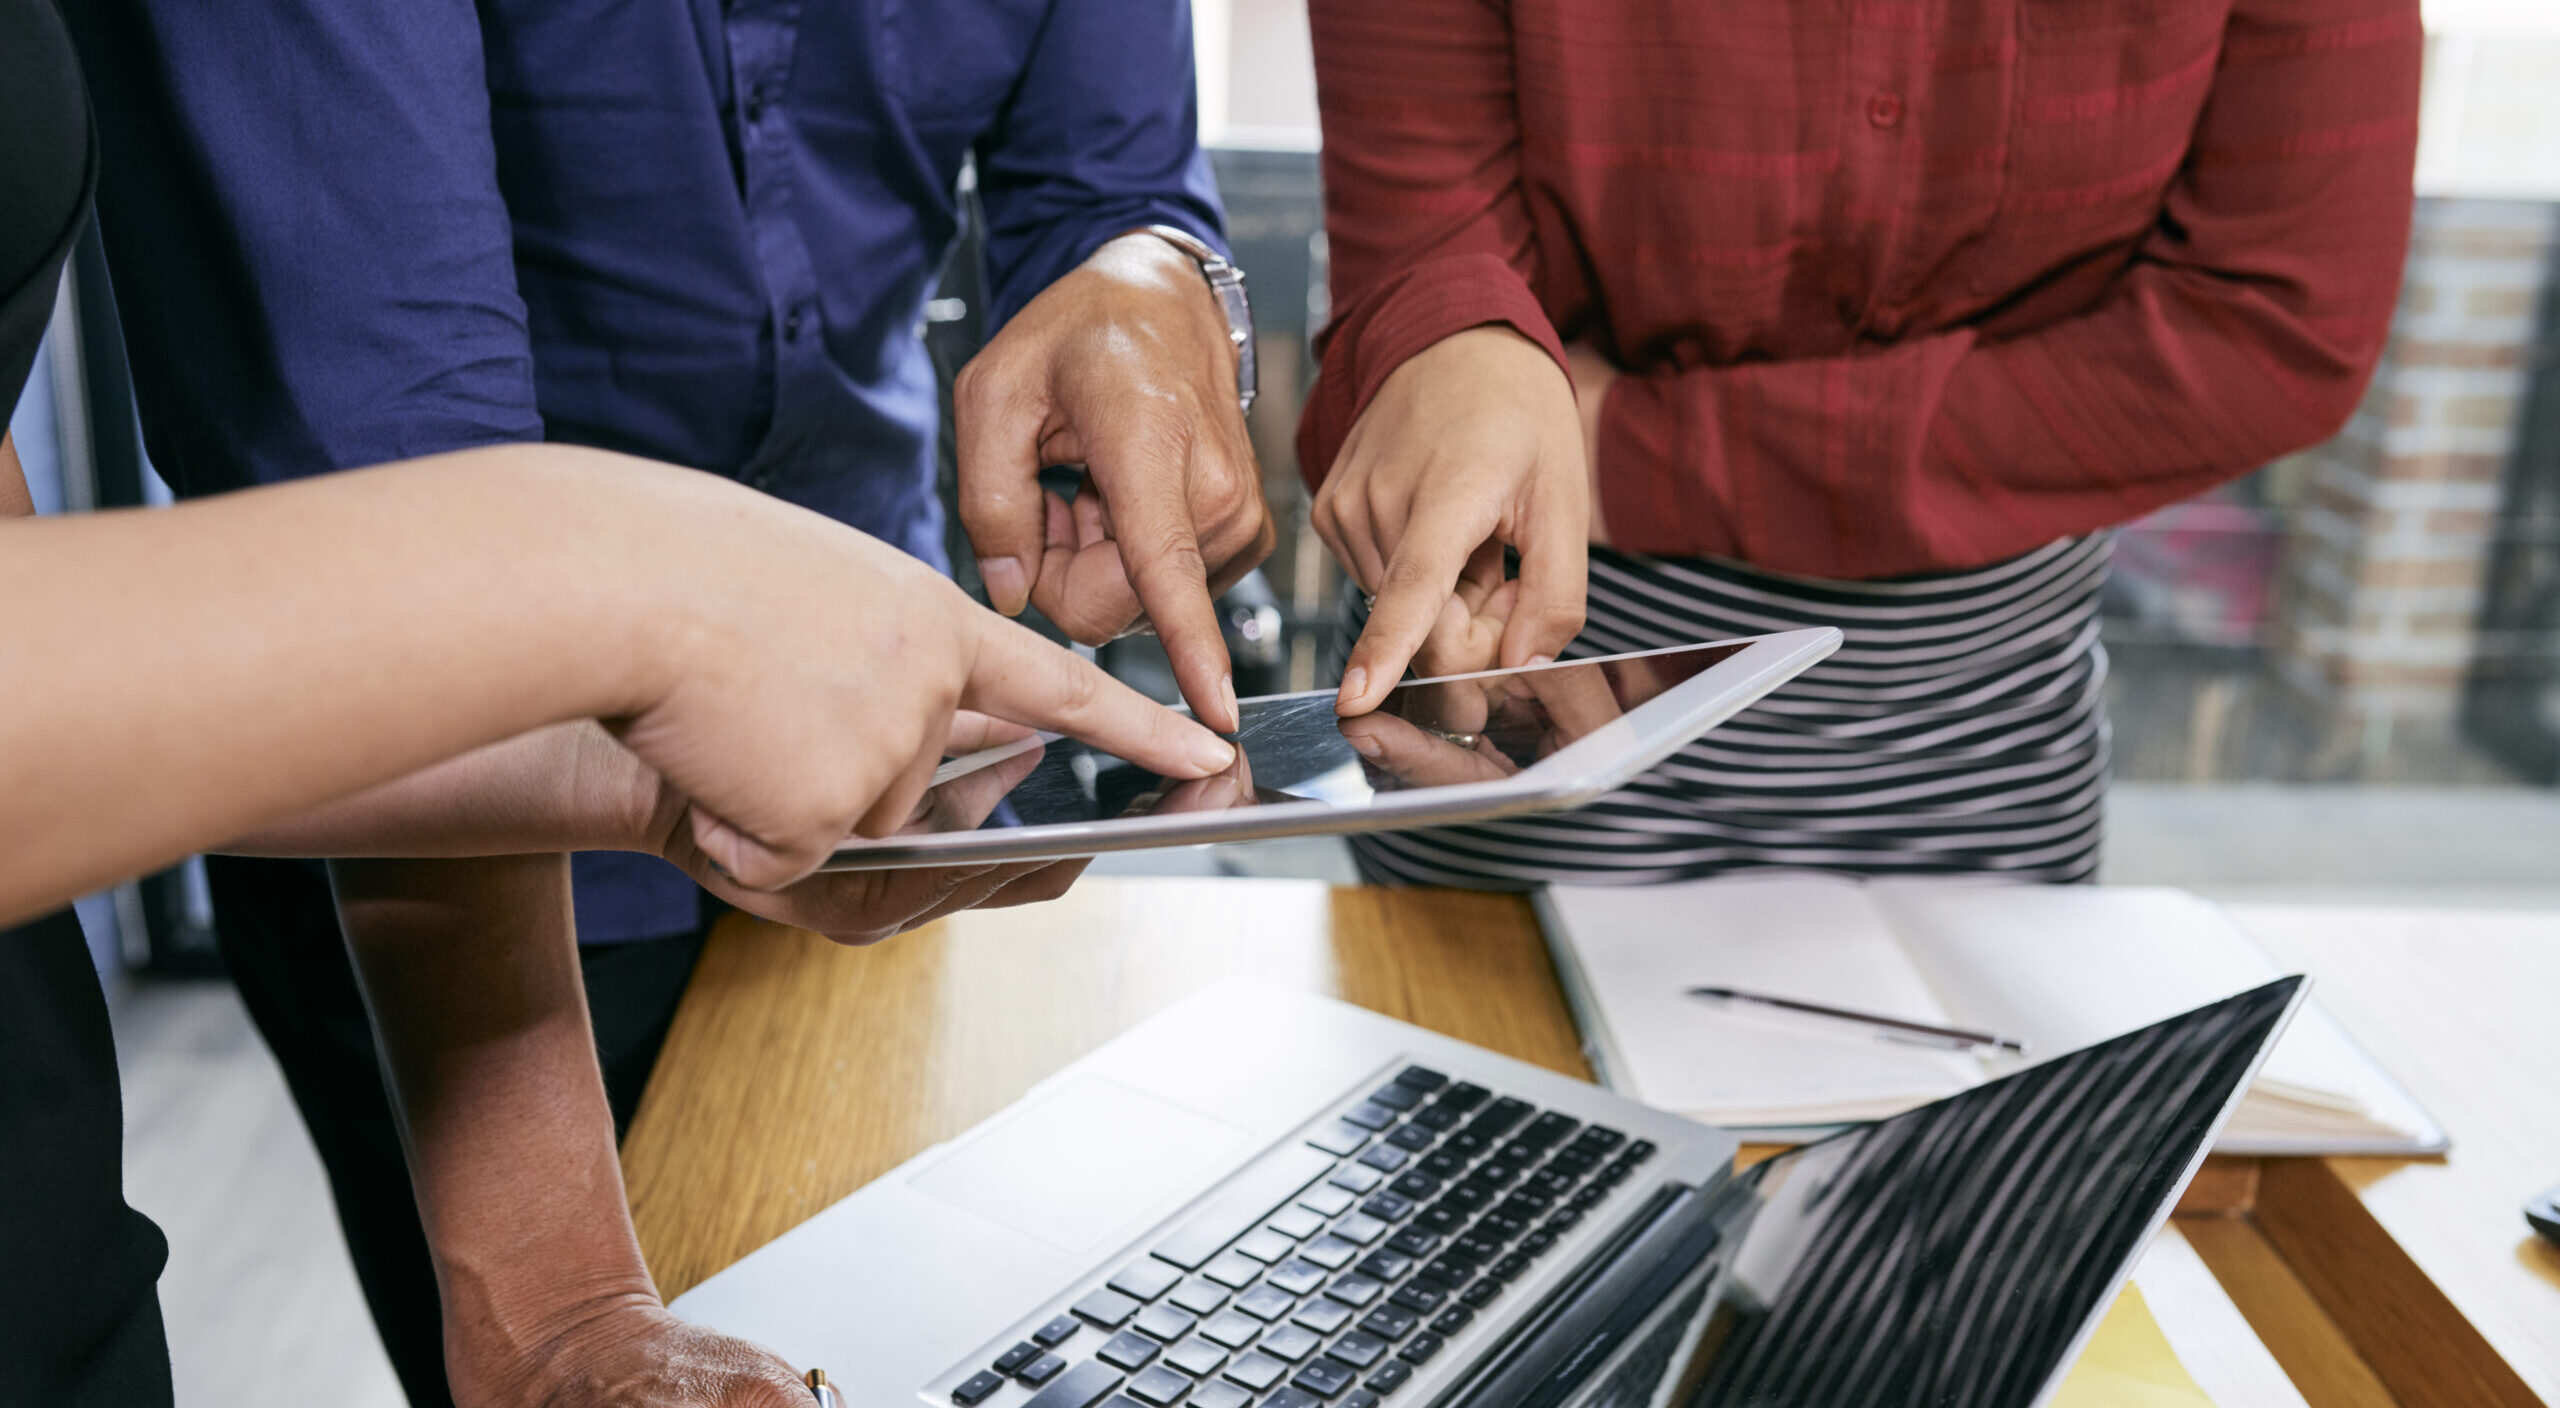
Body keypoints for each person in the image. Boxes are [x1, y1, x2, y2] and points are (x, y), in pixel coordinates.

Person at [62, 0, 1271, 1398]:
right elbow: (387, 463)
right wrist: (559, 1295)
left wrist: (1145, 277)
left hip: (895, 767)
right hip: (445, 865)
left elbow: (1107, 176)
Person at [1303, 0, 2422, 886]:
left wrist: (1613, 442)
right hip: (1529, 707)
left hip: (1987, 744)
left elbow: (2277, 337)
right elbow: (1434, 297)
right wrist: (1470, 376)